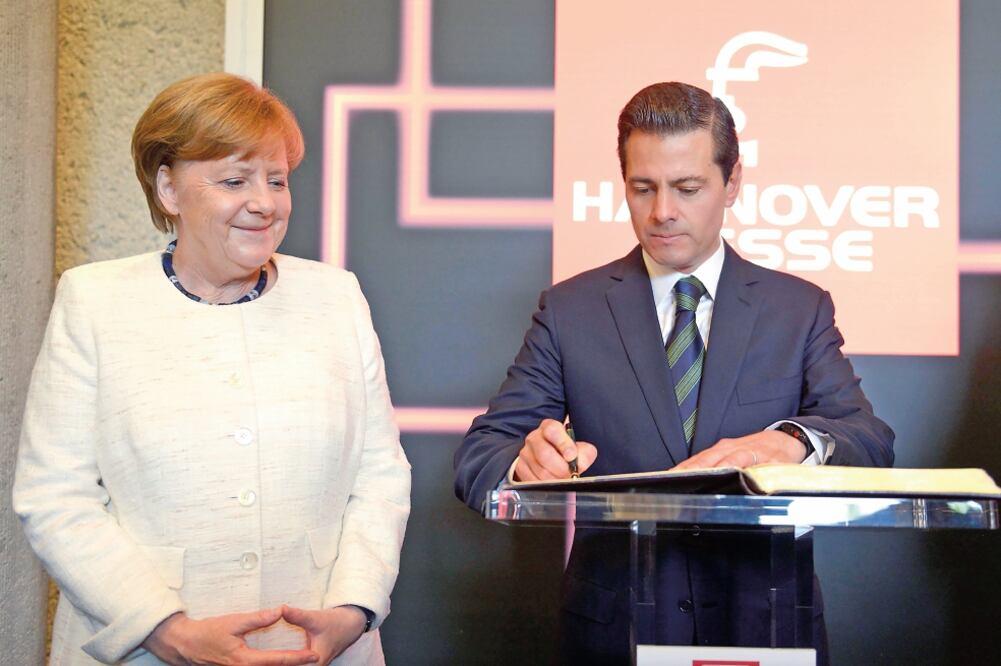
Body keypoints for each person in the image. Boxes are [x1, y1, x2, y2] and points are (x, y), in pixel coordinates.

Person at [454, 82, 894, 664]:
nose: (662, 211)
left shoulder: (799, 308)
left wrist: (792, 443)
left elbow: (869, 439)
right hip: (613, 635)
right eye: (643, 188)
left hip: (765, 630)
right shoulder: (570, 309)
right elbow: (482, 452)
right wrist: (522, 462)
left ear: (732, 182)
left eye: (687, 188)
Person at [13, 73, 411, 666]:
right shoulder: (94, 301)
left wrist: (353, 612)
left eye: (277, 180)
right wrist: (167, 631)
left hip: (316, 651)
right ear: (169, 188)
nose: (265, 201)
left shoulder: (337, 296)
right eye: (234, 180)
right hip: (145, 651)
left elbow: (379, 476)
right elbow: (54, 496)